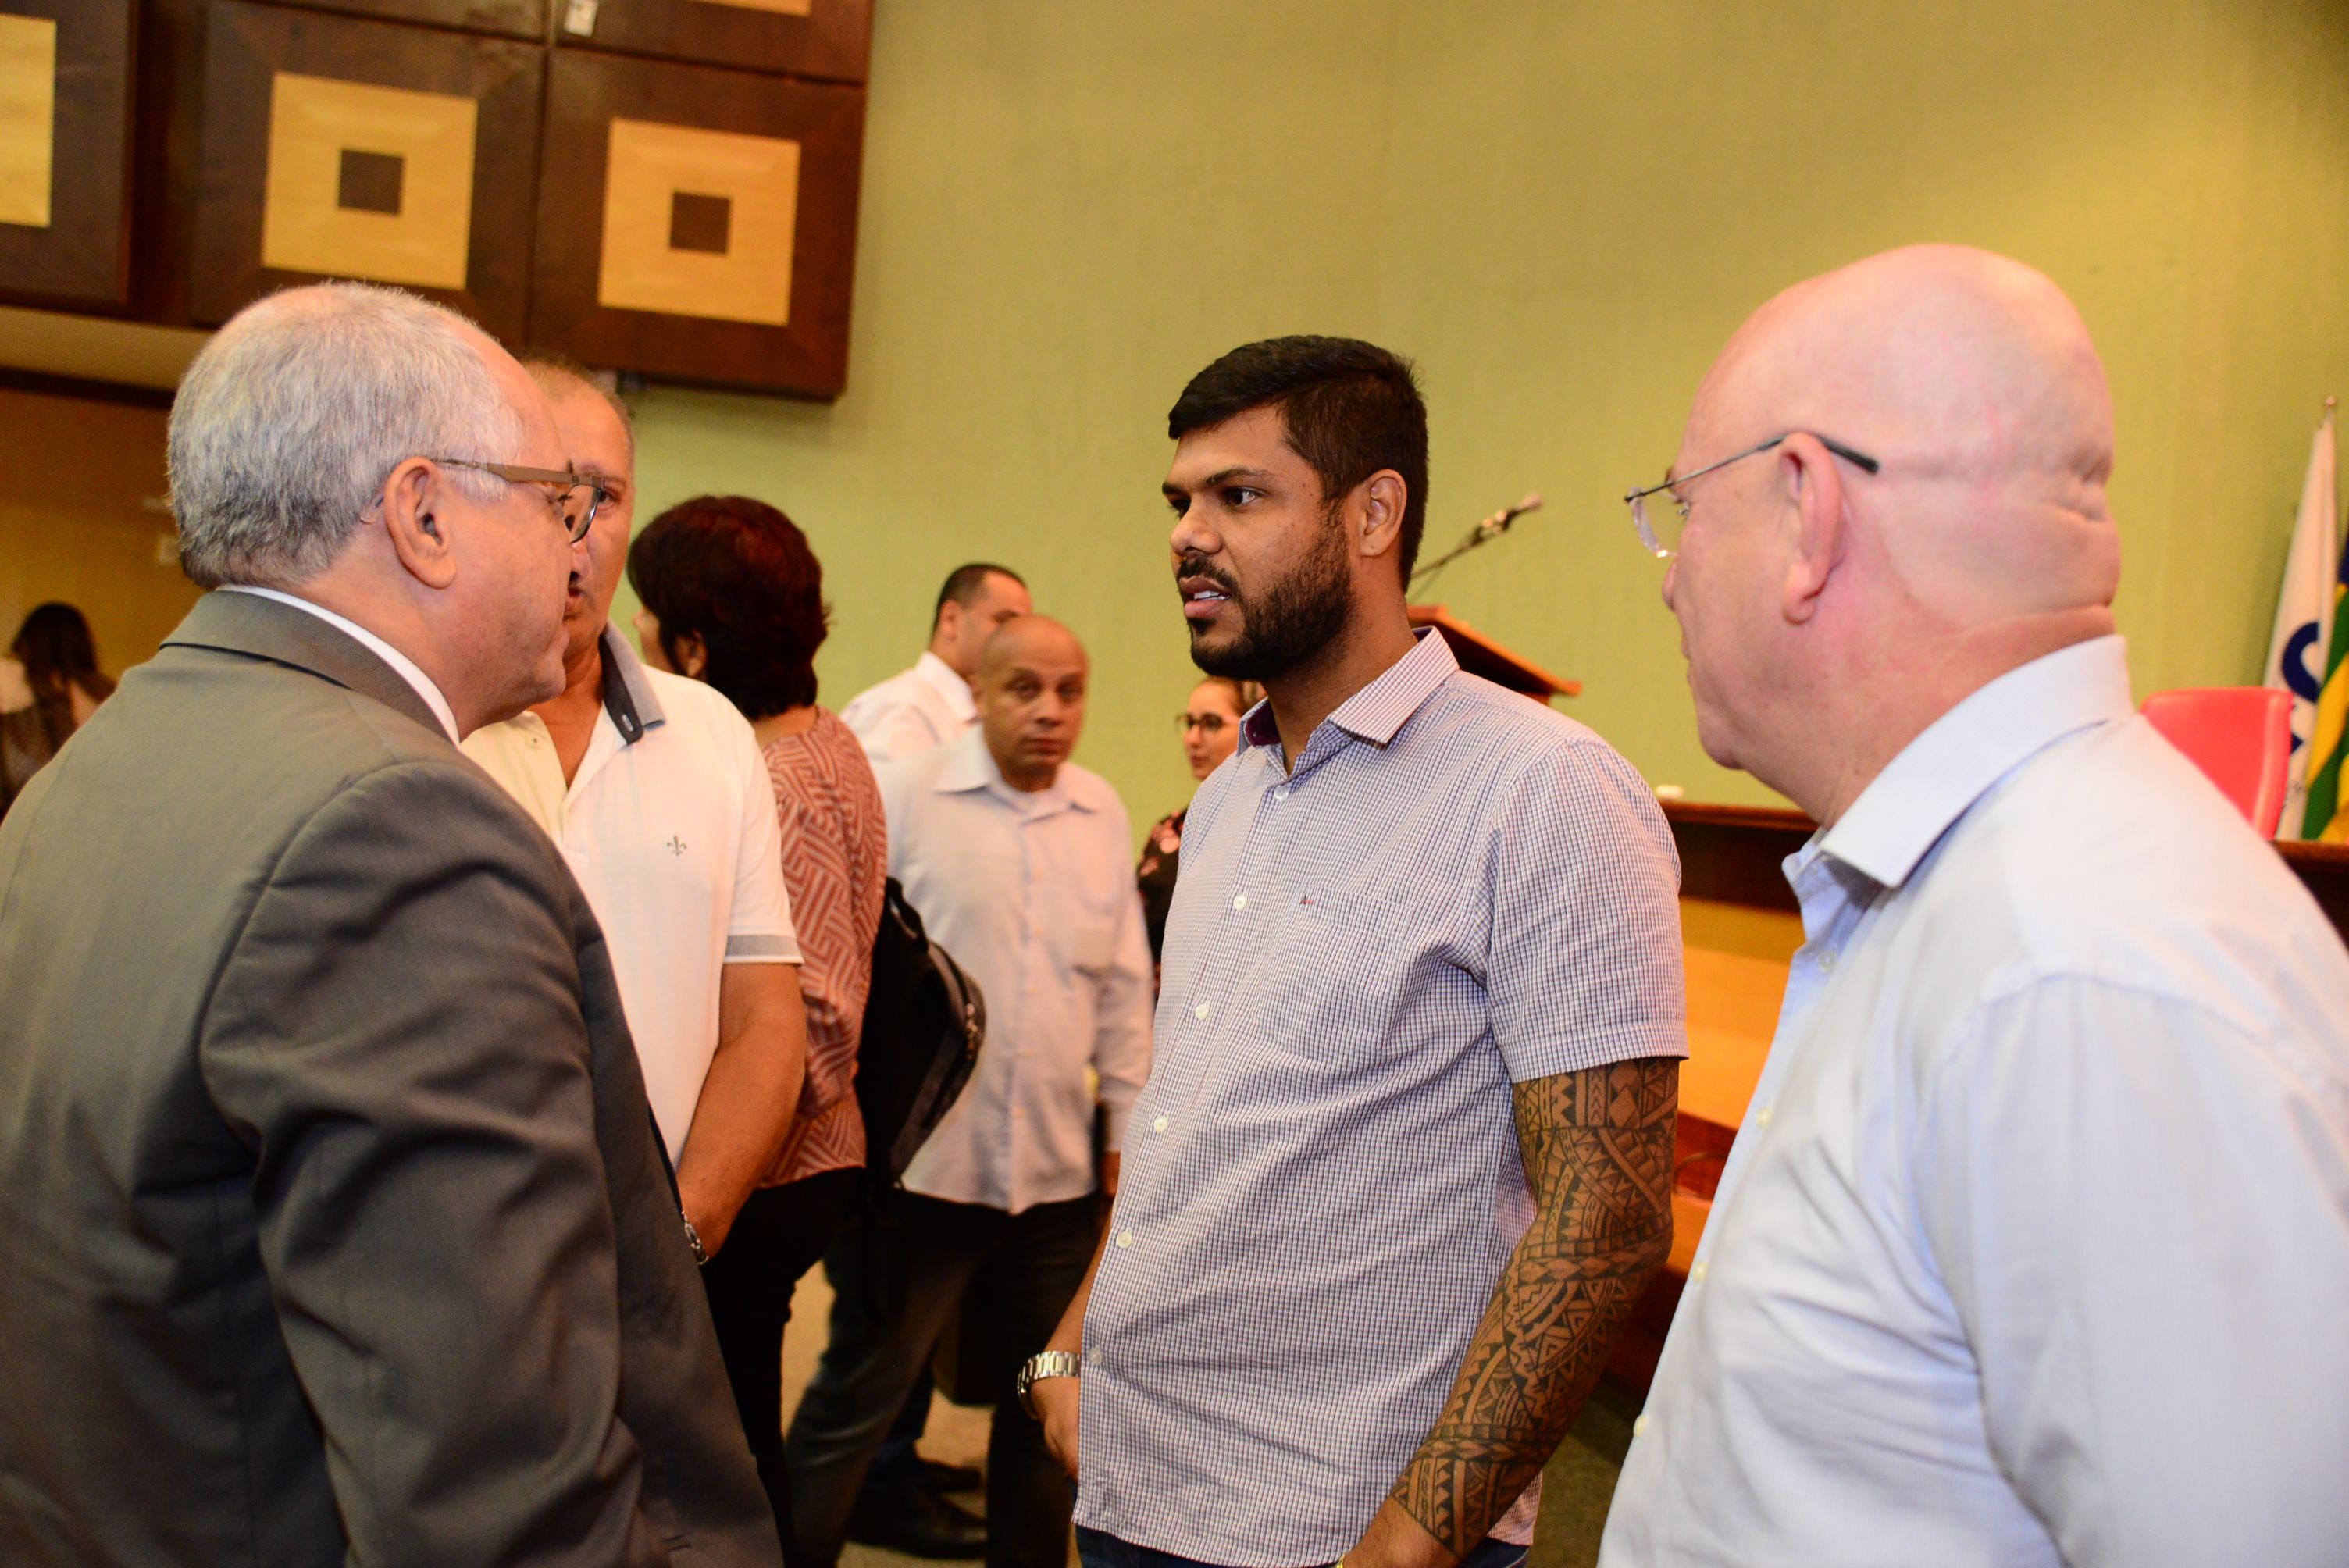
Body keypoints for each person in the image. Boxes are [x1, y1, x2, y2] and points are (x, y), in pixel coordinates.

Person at [0, 282, 778, 1565]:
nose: (582, 551)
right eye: (554, 500)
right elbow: (493, 1494)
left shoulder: (105, 757)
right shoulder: (397, 833)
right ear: (423, 514)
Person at [1599, 245, 2349, 1567]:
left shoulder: (2076, 965)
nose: (1667, 572)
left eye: (1684, 508)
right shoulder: (1988, 896)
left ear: (1806, 513)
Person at [1041, 337, 1685, 1568]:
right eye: (1179, 501)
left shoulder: (1541, 791)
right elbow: (1190, 1120)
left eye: (1239, 496)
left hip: (1337, 1527)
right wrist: (1075, 1346)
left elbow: (1604, 1218)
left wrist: (1404, 1547)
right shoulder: (1230, 795)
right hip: (1135, 1483)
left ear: (1373, 513)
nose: (1187, 536)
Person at [787, 615, 1153, 1568]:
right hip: (924, 1178)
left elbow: (1121, 989)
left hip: (1052, 1183)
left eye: (1069, 691)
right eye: (1023, 689)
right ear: (979, 694)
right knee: (858, 1403)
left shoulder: (1099, 811)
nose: (1049, 711)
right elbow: (848, 967)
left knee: (1046, 1407)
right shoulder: (907, 794)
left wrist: (1127, 1127)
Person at [462, 361, 811, 1273]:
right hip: (452, 1262)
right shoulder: (416, 727)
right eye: (544, 489)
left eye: (604, 494)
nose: (574, 527)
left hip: (658, 1265)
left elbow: (765, 1024)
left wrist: (682, 1235)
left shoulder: (713, 733)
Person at [626, 492, 889, 1562]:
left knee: (723, 1454)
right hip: (804, 1156)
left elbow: (817, 1015)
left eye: (650, 616)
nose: (633, 634)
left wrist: (718, 1162)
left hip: (778, 1164)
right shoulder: (824, 739)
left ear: (695, 645)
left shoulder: (775, 781)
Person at [841, 562, 1032, 765]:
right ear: (951, 619)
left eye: (1023, 629)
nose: (1018, 641)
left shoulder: (995, 718)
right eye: (1004, 622)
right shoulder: (904, 708)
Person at [1135, 675, 1261, 964]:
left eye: (1211, 723)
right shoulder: (1168, 831)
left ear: (1252, 728)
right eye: (1190, 723)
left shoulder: (1268, 830)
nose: (1192, 739)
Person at [0, 602, 116, 816]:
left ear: (27, 641)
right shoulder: (105, 692)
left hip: (21, 811)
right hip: (91, 813)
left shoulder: (15, 685)